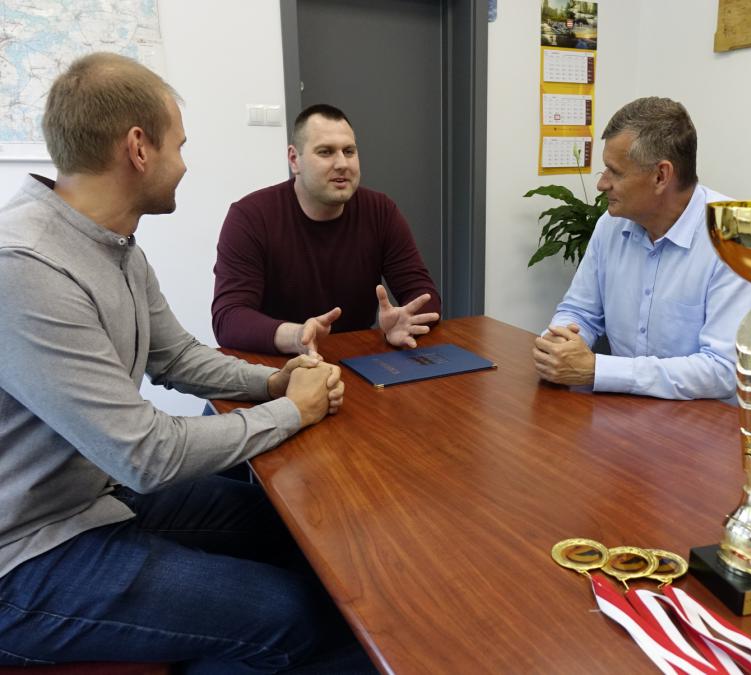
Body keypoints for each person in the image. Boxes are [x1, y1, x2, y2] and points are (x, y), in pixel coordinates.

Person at [0, 53, 367, 672]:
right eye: (180, 146)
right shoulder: (25, 267)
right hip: (25, 557)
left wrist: (272, 380)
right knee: (295, 615)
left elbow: (176, 357)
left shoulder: (113, 244)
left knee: (291, 532)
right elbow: (146, 454)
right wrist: (291, 411)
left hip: (93, 496)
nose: (186, 164)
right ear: (138, 148)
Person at [533, 97, 751, 400]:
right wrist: (559, 344)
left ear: (660, 176)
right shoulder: (611, 225)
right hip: (624, 408)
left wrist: (598, 370)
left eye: (615, 172)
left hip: (703, 418)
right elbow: (580, 310)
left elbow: (723, 369)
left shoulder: (736, 238)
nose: (602, 184)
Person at [212, 103, 441, 357]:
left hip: (357, 358)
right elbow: (228, 318)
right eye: (325, 152)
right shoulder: (250, 217)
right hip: (278, 363)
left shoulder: (380, 211)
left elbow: (423, 294)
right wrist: (298, 336)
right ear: (294, 160)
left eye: (349, 151)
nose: (342, 163)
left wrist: (405, 321)